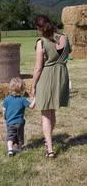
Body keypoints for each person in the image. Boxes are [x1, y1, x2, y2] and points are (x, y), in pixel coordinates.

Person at [32, 15, 72, 158]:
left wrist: (33, 86)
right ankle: (48, 140)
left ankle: (49, 149)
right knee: (52, 110)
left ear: (38, 28)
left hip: (47, 77)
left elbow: (38, 68)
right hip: (62, 77)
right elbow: (68, 53)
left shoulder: (41, 42)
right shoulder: (64, 38)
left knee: (45, 114)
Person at [3, 77, 35, 157]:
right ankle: (19, 148)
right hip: (20, 123)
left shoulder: (7, 99)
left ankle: (10, 150)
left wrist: (5, 117)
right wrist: (35, 99)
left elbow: (4, 110)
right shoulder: (22, 99)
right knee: (19, 136)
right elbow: (31, 106)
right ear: (22, 89)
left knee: (10, 136)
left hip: (10, 122)